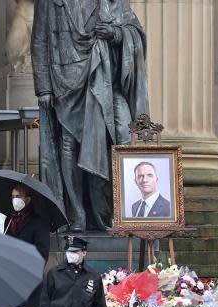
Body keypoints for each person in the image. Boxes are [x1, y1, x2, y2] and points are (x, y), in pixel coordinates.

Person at [32, 0, 149, 232]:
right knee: (69, 145)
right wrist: (43, 86)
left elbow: (134, 31)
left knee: (124, 136)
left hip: (105, 79)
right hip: (65, 81)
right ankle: (76, 215)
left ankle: (120, 211)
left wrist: (115, 33)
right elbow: (39, 40)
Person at [7, 185, 52, 307]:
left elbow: (42, 253)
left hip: (30, 277)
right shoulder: (10, 222)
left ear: (28, 199)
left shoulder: (38, 222)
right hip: (13, 276)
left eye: (18, 196)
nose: (15, 199)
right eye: (13, 196)